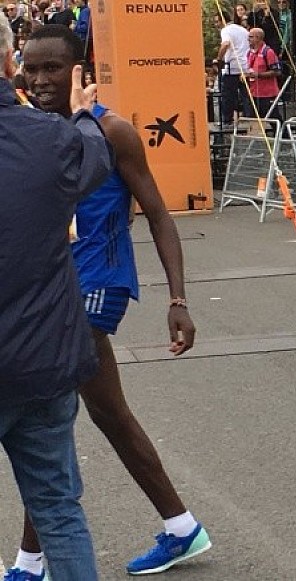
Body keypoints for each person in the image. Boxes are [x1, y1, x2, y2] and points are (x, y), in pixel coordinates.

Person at [16, 24, 206, 577]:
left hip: (97, 283)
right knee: (105, 414)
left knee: (46, 413)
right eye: (31, 68)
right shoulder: (32, 130)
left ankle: (31, 562)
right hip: (54, 287)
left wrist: (177, 297)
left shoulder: (112, 130)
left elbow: (159, 213)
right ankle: (182, 527)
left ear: (79, 71)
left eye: (53, 68)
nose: (40, 79)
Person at [0, 12, 112, 581]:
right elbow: (94, 157)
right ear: (9, 62)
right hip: (42, 360)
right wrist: (82, 113)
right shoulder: (51, 139)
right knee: (59, 511)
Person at [214, 9, 249, 125]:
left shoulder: (226, 30)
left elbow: (225, 44)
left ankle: (227, 120)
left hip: (232, 67)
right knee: (246, 96)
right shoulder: (242, 29)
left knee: (227, 95)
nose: (216, 25)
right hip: (246, 67)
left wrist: (219, 59)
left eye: (217, 22)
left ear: (223, 20)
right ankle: (249, 119)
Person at [244, 26, 282, 121]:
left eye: (251, 37)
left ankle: (284, 130)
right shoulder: (249, 53)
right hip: (254, 92)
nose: (248, 39)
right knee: (254, 119)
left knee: (273, 117)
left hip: (267, 94)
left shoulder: (268, 52)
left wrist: (258, 75)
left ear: (258, 38)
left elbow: (276, 71)